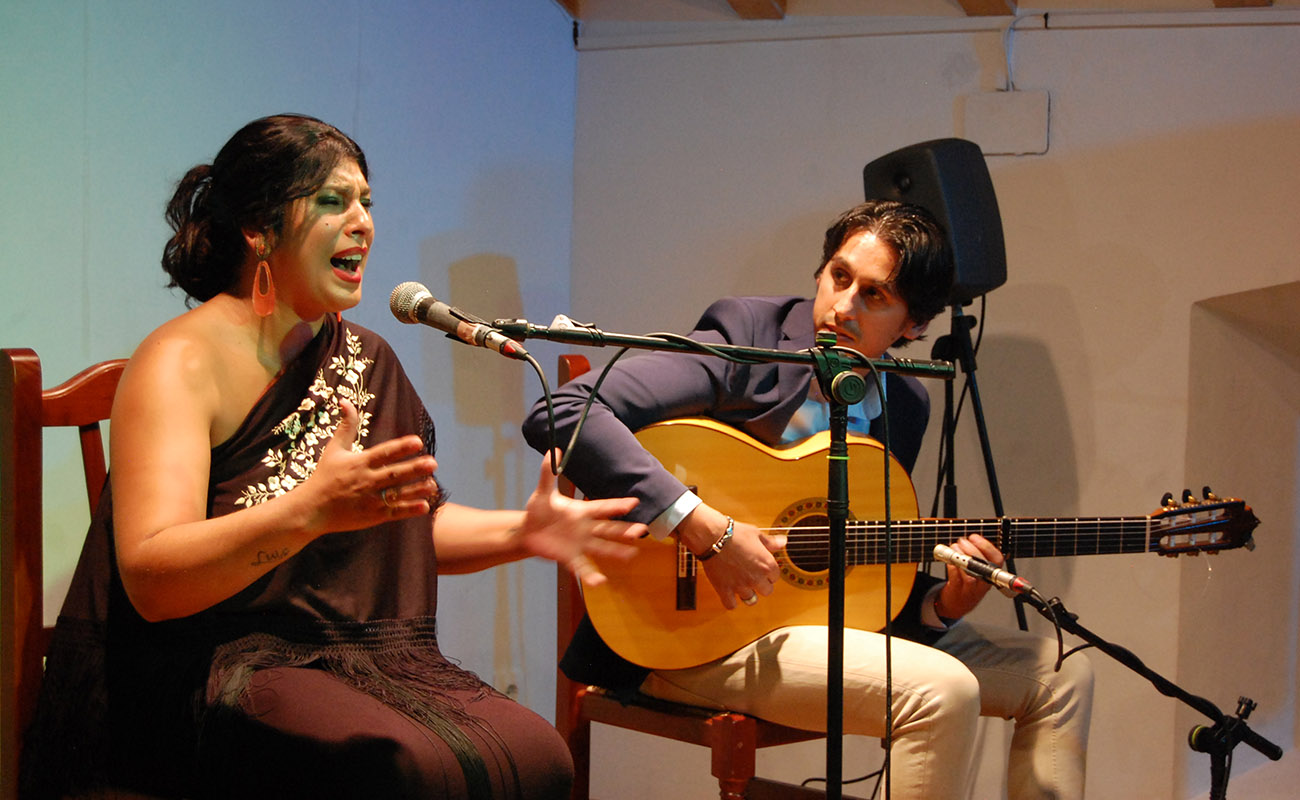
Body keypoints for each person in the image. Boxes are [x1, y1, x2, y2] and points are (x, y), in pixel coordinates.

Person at [19, 114, 646, 800]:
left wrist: (523, 533)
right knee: (396, 769)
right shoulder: (179, 361)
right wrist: (310, 510)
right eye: (332, 201)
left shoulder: (367, 357)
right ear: (258, 226)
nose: (362, 223)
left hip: (352, 657)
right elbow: (152, 578)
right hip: (207, 667)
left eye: (367, 204)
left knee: (539, 753)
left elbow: (404, 530)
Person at [521, 200, 1094, 800]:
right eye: (839, 277)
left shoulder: (904, 404)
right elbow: (562, 410)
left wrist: (940, 605)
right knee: (941, 691)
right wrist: (700, 526)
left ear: (913, 326)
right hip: (688, 632)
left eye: (875, 296)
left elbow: (856, 567)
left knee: (1062, 672)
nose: (843, 307)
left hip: (803, 627)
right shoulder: (749, 337)